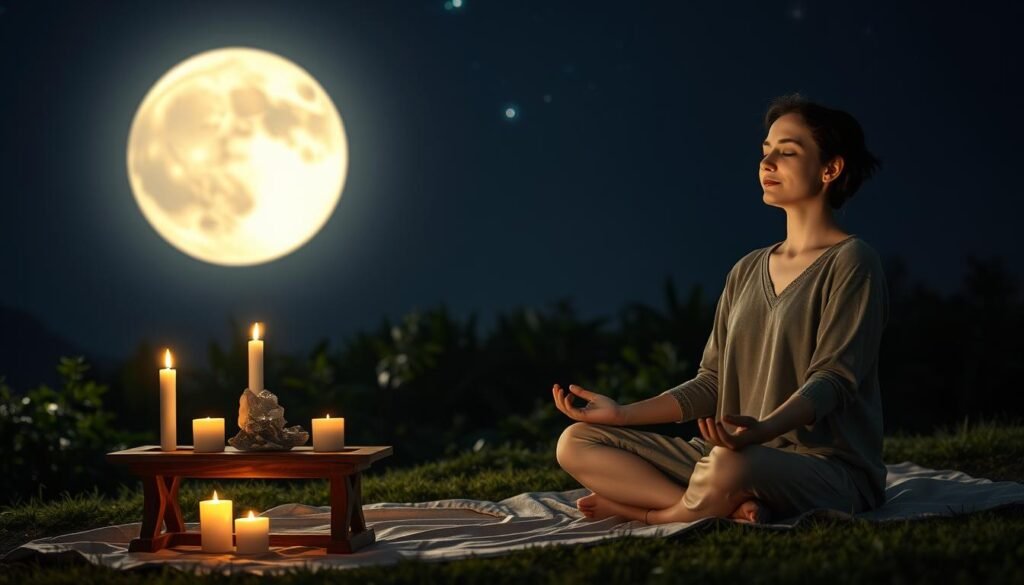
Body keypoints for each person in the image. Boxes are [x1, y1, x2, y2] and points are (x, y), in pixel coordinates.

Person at [553, 93, 887, 525]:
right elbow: (712, 381)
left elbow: (834, 380)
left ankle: (659, 514)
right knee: (576, 441)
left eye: (786, 152)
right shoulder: (746, 269)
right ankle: (724, 503)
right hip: (730, 454)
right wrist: (623, 414)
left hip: (825, 468)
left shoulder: (853, 261)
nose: (767, 163)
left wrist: (764, 430)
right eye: (765, 151)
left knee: (729, 466)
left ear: (831, 169)